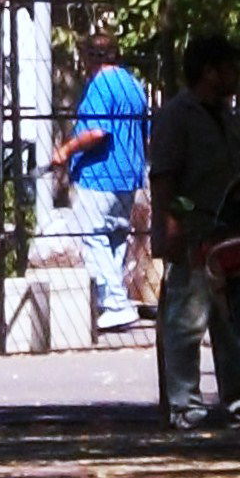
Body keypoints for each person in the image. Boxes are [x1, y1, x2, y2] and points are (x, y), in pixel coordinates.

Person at [147, 33, 240, 430]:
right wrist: (172, 227)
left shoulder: (225, 116)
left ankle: (239, 398)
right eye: (228, 67)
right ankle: (184, 404)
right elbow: (164, 177)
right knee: (187, 320)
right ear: (208, 72)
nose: (236, 75)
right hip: (193, 232)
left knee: (232, 319)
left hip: (229, 231)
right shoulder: (178, 115)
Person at [54, 32, 151, 334]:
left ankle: (115, 304)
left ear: (92, 58)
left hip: (100, 174)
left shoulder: (100, 84)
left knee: (94, 236)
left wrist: (66, 149)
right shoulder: (134, 85)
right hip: (128, 174)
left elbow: (97, 131)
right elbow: (145, 132)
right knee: (116, 239)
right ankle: (113, 299)